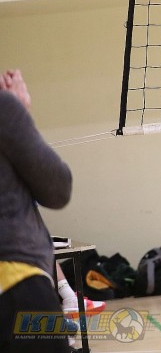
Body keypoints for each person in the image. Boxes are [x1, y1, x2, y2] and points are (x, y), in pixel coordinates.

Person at [0, 69, 74, 352]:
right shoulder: (5, 107)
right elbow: (57, 190)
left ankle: (68, 294)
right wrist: (19, 114)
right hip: (16, 284)